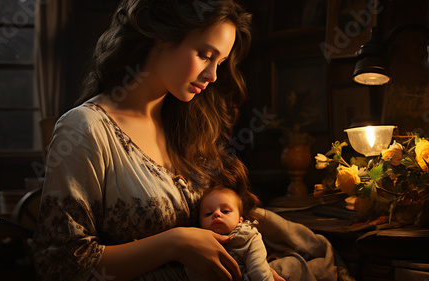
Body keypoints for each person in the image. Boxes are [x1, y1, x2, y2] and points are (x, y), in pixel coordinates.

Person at [32, 0, 286, 280]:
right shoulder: (85, 128)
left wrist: (254, 264)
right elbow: (61, 264)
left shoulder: (191, 127)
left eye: (220, 63)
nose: (213, 75)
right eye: (204, 54)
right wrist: (173, 244)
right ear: (161, 36)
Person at [186, 187, 274, 281]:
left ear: (240, 219)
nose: (216, 214)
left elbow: (259, 270)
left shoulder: (250, 237)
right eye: (208, 213)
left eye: (225, 211)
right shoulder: (196, 241)